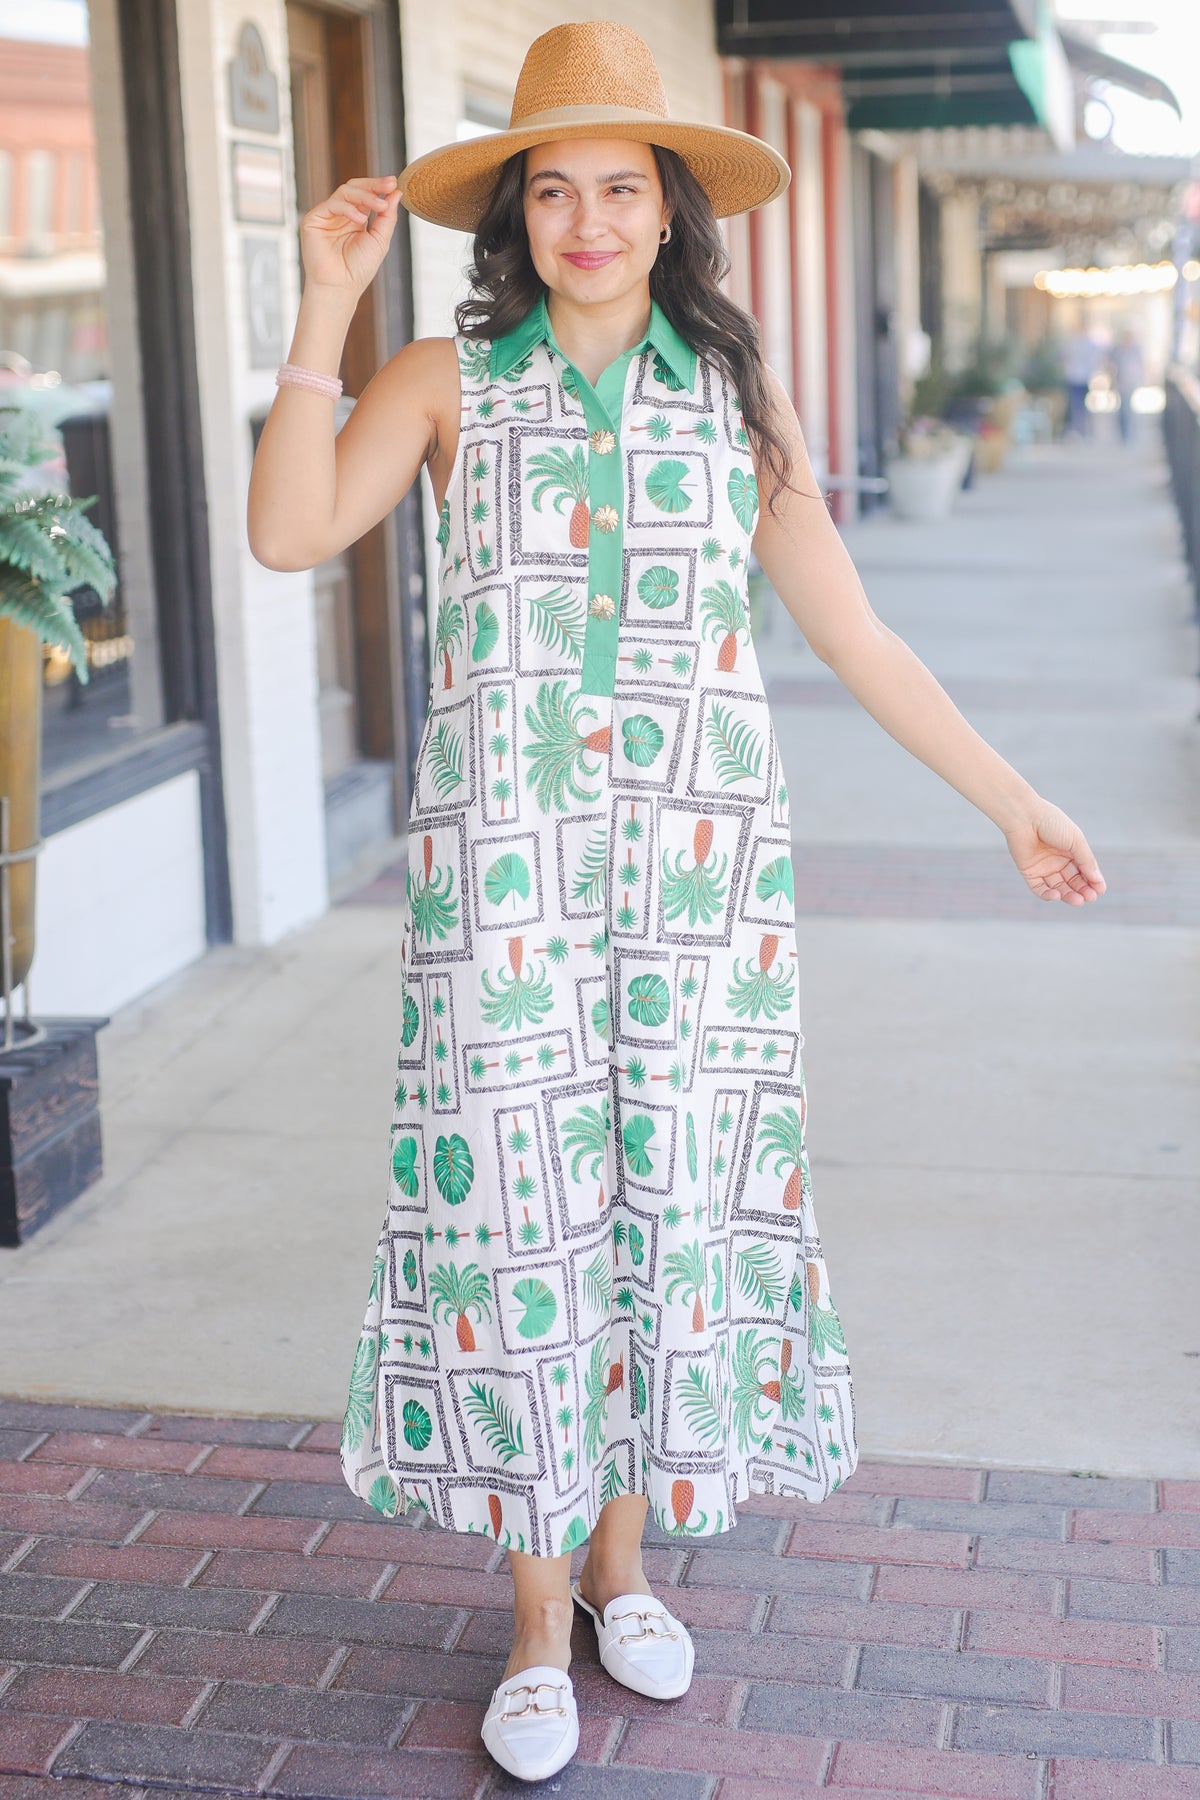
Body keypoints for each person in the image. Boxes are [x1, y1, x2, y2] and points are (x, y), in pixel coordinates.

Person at [247, 21, 1107, 1784]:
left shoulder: (736, 396)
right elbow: (283, 533)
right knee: (521, 1241)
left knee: (661, 1222)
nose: (583, 220)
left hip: (701, 908)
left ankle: (627, 1569)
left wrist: (1012, 798)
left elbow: (852, 630)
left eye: (616, 190)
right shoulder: (440, 379)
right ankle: (534, 1619)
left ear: (668, 214)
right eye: (549, 190)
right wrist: (321, 309)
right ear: (513, 217)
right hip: (502, 905)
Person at [1059, 325, 1102, 438]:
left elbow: (1094, 359)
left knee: (1083, 405)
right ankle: (1077, 429)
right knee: (1074, 405)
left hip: (1084, 378)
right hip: (1073, 378)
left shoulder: (1089, 344)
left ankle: (1084, 430)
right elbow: (1064, 358)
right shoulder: (1071, 343)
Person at [1109, 325, 1145, 445]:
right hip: (1121, 382)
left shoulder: (1137, 349)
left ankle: (1130, 433)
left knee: (1129, 407)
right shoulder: (1118, 350)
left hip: (1132, 381)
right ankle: (1124, 433)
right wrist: (1114, 380)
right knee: (1123, 408)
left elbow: (1141, 365)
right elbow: (1111, 365)